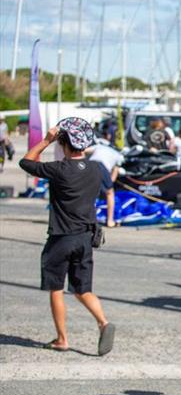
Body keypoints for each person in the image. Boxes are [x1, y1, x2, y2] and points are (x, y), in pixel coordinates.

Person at [19, 117, 116, 356]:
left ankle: (62, 339)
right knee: (83, 289)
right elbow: (110, 187)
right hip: (86, 237)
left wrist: (45, 140)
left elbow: (26, 162)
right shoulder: (96, 168)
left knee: (56, 288)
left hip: (61, 237)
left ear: (63, 143)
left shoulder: (58, 169)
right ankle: (103, 321)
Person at [87, 132, 125, 227]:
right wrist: (107, 185)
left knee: (88, 193)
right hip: (102, 166)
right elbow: (113, 176)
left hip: (89, 165)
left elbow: (83, 151)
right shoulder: (118, 155)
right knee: (110, 193)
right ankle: (110, 220)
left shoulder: (99, 147)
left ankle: (84, 219)